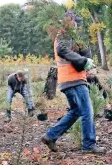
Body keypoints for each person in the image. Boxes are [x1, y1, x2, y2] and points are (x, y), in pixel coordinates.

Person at [41, 11, 105, 153]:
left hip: (68, 80)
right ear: (69, 21)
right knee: (87, 111)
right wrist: (83, 61)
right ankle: (88, 144)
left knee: (76, 111)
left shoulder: (69, 36)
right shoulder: (63, 34)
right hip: (73, 80)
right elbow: (62, 50)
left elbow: (80, 51)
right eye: (75, 21)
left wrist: (86, 58)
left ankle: (51, 136)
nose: (77, 25)